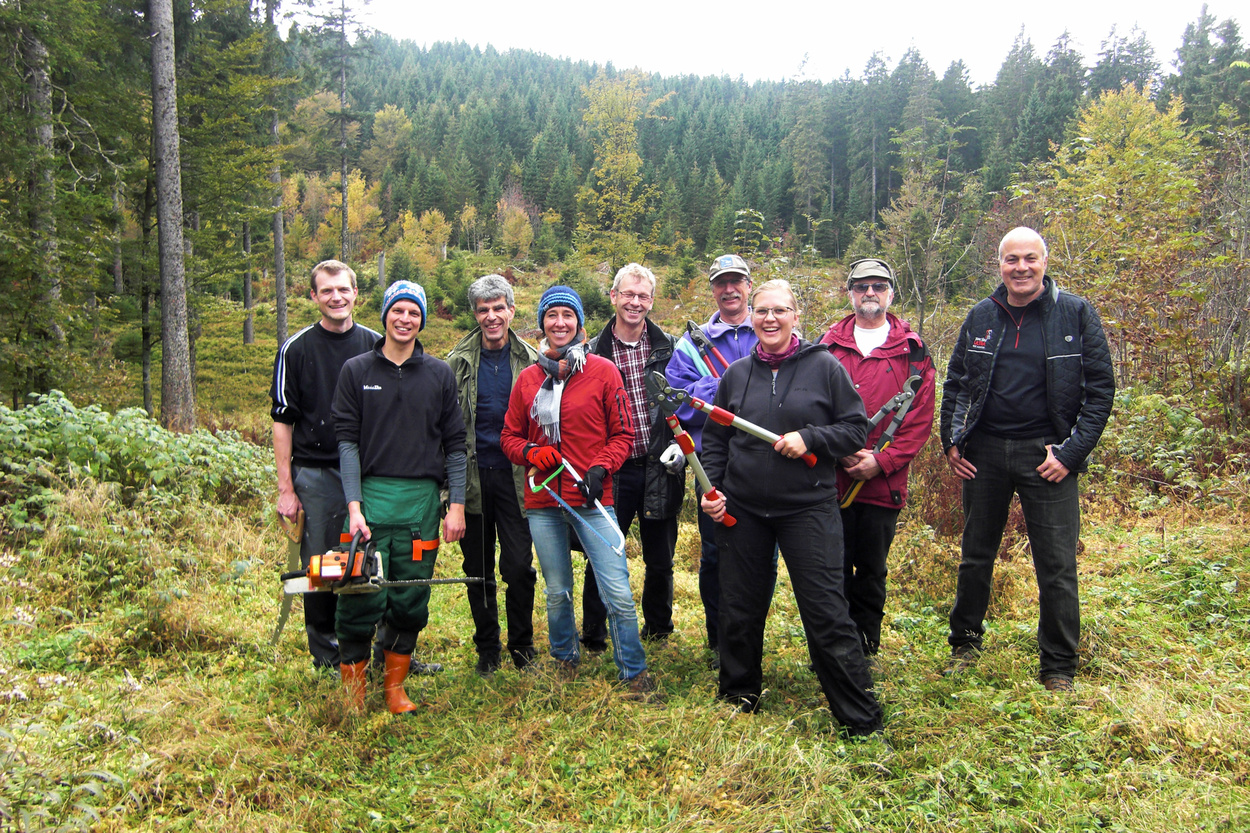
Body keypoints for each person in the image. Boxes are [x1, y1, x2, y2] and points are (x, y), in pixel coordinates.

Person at [700, 279, 882, 735]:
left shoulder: (824, 367)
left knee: (825, 610)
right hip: (744, 512)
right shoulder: (737, 374)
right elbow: (717, 441)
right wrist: (713, 490)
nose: (770, 319)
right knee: (739, 606)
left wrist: (810, 438)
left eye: (780, 311)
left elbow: (855, 430)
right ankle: (738, 697)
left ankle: (859, 718)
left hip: (808, 508)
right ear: (752, 316)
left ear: (796, 316)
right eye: (762, 311)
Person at [941, 227, 1114, 693]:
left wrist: (1072, 454)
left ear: (1044, 261)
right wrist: (952, 441)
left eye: (1030, 259)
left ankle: (1058, 666)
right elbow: (957, 382)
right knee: (976, 556)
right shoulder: (982, 315)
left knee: (1056, 565)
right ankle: (965, 644)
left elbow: (1100, 392)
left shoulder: (1074, 313)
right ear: (999, 264)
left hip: (1048, 456)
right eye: (1011, 259)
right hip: (986, 454)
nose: (1021, 268)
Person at [500, 285, 656, 699]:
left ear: (580, 323)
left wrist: (601, 466)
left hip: (591, 498)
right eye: (552, 316)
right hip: (544, 502)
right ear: (542, 324)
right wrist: (533, 452)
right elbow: (509, 437)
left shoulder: (603, 372)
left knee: (617, 589)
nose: (560, 323)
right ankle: (564, 660)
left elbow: (624, 433)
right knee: (558, 590)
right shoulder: (528, 379)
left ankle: (634, 671)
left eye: (567, 316)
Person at [331, 280, 468, 714]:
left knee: (410, 599)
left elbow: (456, 446)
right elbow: (347, 444)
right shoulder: (356, 371)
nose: (405, 319)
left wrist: (457, 506)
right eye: (398, 310)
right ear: (386, 314)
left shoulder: (440, 374)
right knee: (359, 595)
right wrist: (354, 507)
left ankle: (394, 690)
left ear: (421, 319)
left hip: (422, 507)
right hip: (369, 502)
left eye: (414, 312)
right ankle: (353, 695)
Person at [819, 258, 936, 662]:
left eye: (878, 286)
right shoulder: (826, 346)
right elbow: (811, 407)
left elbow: (919, 422)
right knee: (831, 571)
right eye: (862, 285)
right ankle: (835, 652)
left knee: (870, 572)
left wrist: (880, 463)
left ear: (891, 293)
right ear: (849, 292)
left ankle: (865, 651)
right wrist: (839, 450)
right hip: (829, 481)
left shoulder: (914, 353)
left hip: (882, 486)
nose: (870, 292)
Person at [270, 260, 380, 670]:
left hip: (370, 473)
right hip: (316, 473)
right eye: (327, 290)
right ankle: (327, 655)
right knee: (320, 566)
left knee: (374, 561)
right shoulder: (295, 349)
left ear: (356, 294)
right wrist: (287, 489)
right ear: (314, 296)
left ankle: (385, 648)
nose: (336, 297)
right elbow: (283, 421)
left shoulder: (375, 345)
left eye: (343, 289)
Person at [664, 253, 760, 663]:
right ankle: (718, 639)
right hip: (713, 468)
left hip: (766, 466)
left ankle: (750, 637)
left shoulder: (771, 328)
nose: (729, 289)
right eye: (721, 282)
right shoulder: (691, 342)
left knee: (759, 555)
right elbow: (676, 399)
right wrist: (731, 388)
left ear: (749, 286)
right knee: (716, 554)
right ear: (713, 289)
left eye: (736, 280)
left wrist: (713, 391)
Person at [585, 263, 685, 647]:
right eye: (628, 294)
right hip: (614, 470)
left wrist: (681, 444)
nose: (635, 302)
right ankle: (593, 632)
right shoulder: (592, 352)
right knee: (606, 551)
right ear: (613, 297)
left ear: (652, 301)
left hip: (661, 464)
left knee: (660, 558)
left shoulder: (670, 348)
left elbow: (686, 401)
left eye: (643, 296)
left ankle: (659, 628)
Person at [446, 275, 540, 676]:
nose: (491, 316)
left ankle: (522, 645)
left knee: (519, 567)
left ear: (512, 311)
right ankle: (488, 649)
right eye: (483, 310)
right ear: (476, 314)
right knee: (478, 569)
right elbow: (445, 430)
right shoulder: (457, 362)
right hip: (471, 479)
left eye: (498, 308)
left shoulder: (533, 361)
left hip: (518, 479)